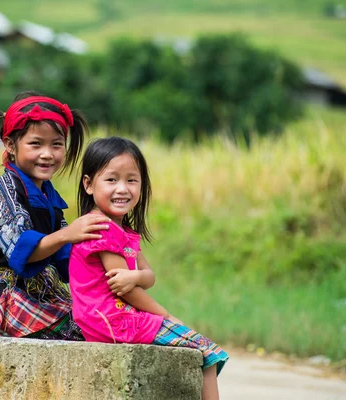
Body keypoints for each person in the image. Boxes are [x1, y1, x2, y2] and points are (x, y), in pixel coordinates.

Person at [69, 137, 228, 399]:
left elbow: (148, 276)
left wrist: (138, 276)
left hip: (115, 318)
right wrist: (165, 316)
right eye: (111, 180)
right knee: (206, 353)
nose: (122, 188)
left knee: (201, 352)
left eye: (132, 180)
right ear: (88, 184)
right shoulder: (102, 227)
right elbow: (126, 290)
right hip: (114, 320)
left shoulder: (124, 231)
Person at [0, 91, 111, 340]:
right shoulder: (3, 192)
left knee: (103, 318)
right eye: (36, 144)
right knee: (83, 331)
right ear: (10, 145)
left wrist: (108, 268)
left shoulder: (49, 197)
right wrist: (66, 235)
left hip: (39, 293)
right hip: (2, 297)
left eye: (56, 144)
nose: (47, 153)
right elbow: (23, 251)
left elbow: (67, 260)